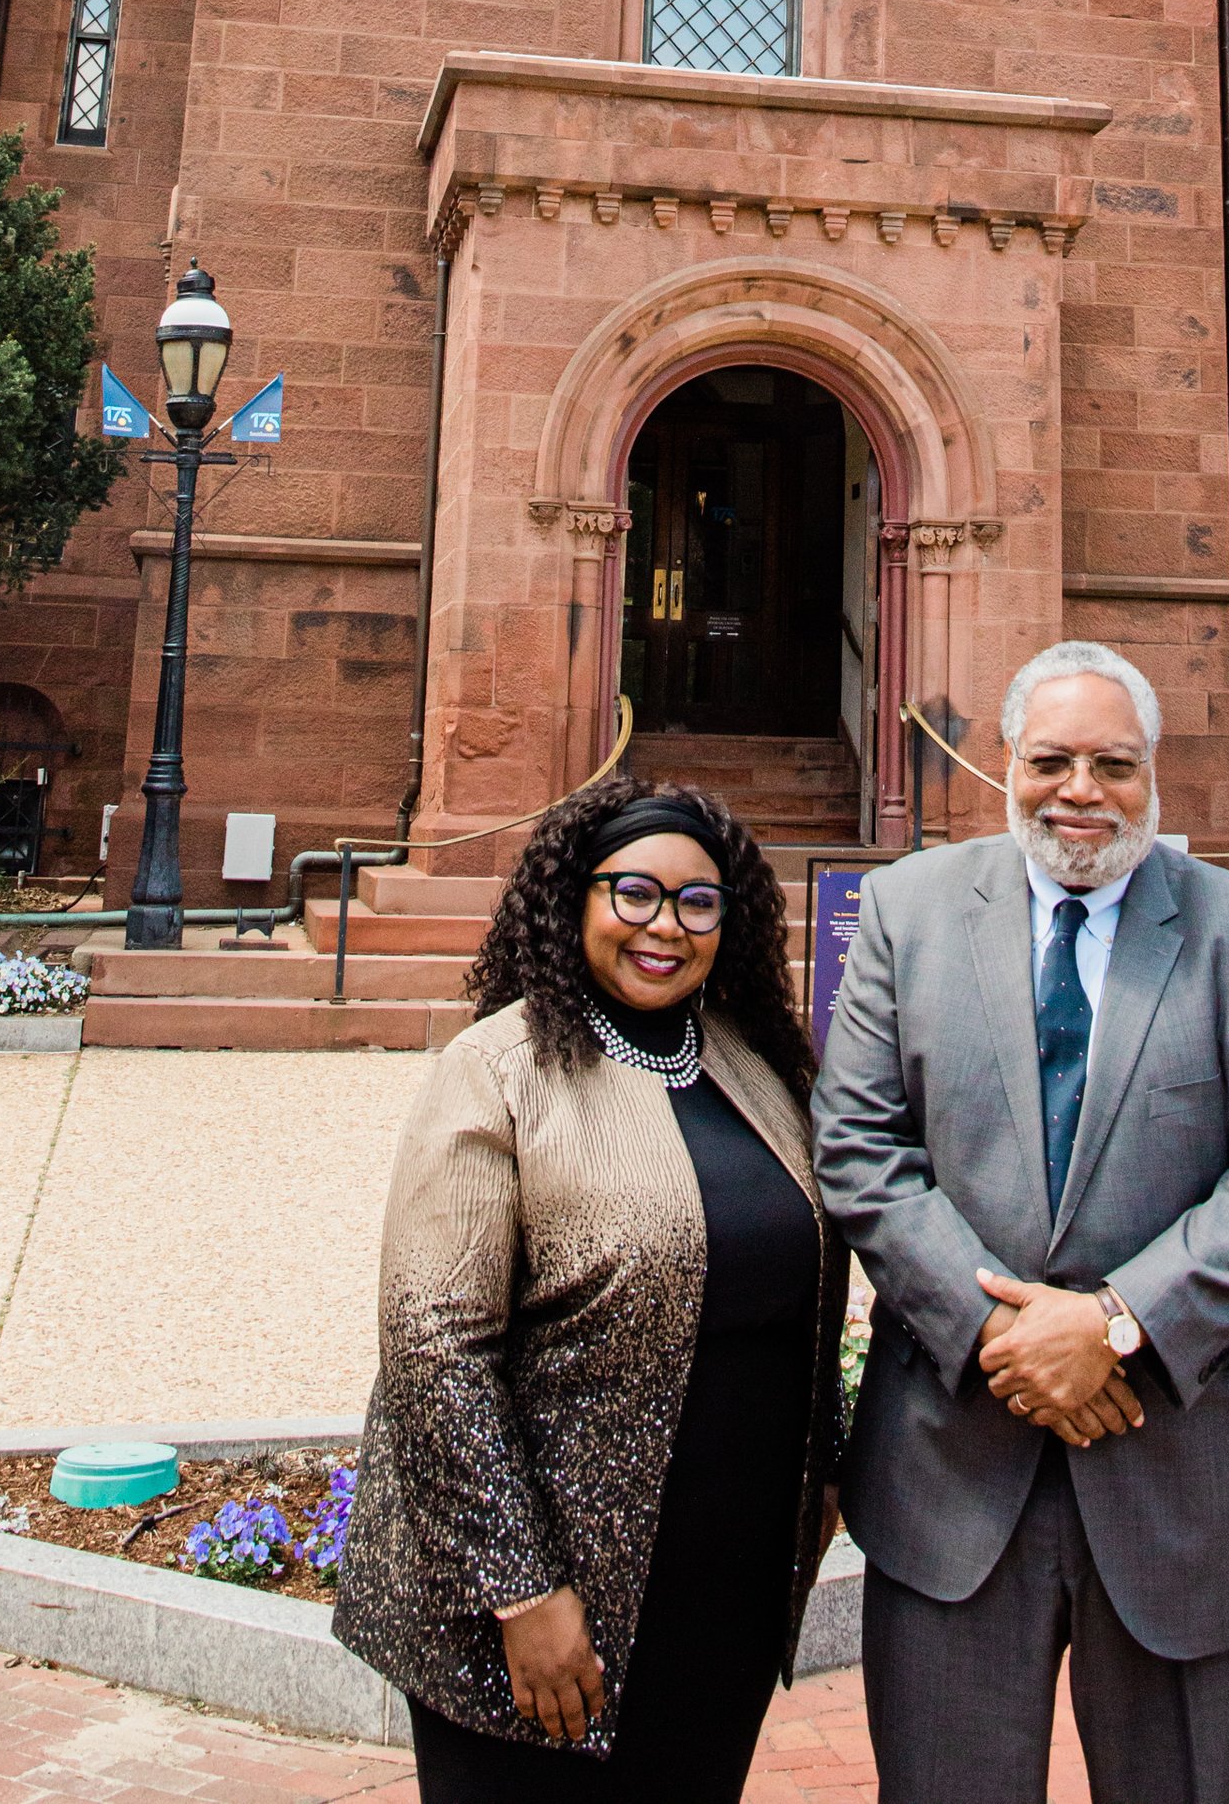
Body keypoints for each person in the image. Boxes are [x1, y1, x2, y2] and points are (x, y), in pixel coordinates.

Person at [812, 638, 1229, 1804]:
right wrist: (1009, 1336)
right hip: (955, 1473)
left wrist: (1111, 1324)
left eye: (1113, 763)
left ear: (1153, 771)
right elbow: (858, 1149)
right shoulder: (904, 914)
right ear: (1005, 762)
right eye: (1052, 759)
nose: (1080, 791)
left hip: (1190, 1479)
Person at [332, 773, 846, 1803]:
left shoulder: (757, 1065)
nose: (665, 926)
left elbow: (803, 1302)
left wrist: (824, 1462)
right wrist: (519, 1590)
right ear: (575, 900)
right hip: (547, 1593)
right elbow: (433, 1345)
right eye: (633, 893)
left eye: (698, 901)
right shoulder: (499, 1068)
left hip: (723, 1588)